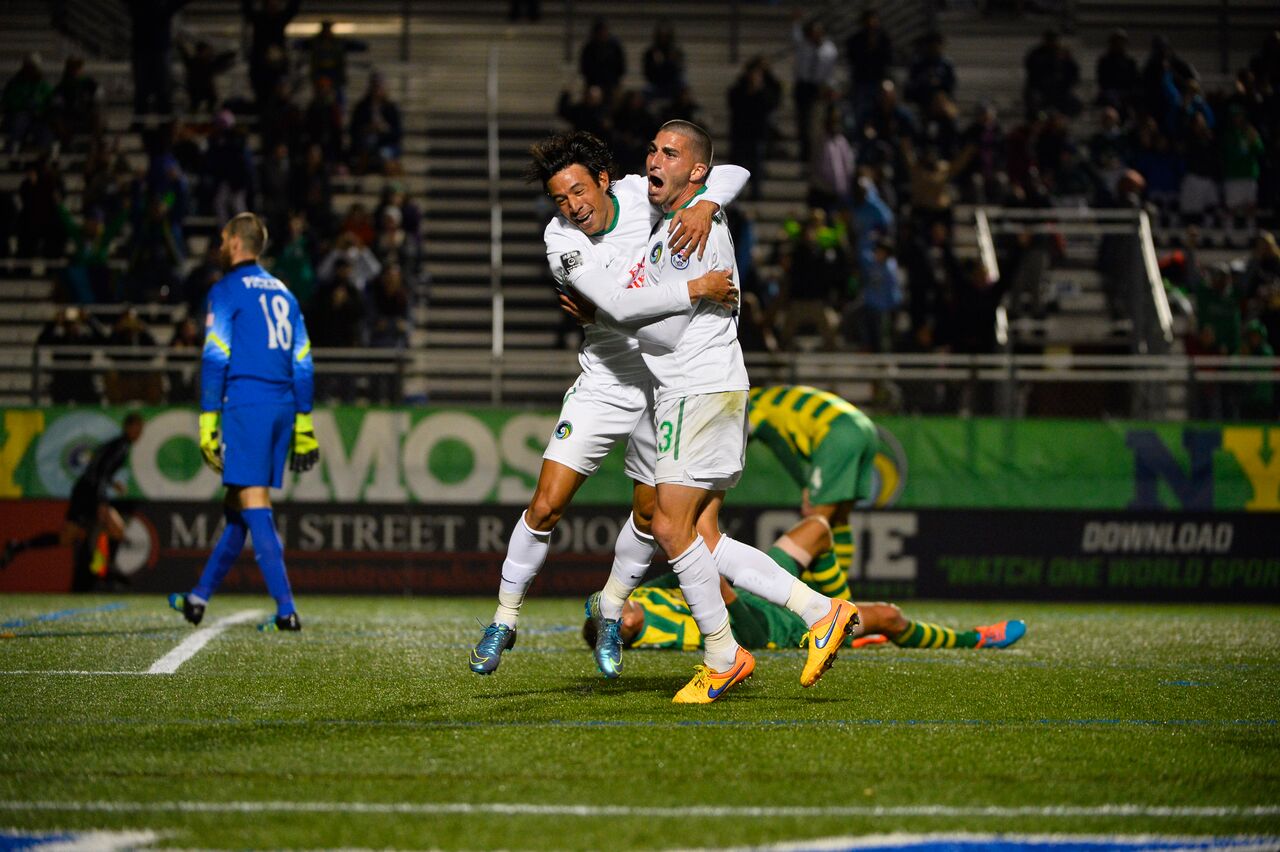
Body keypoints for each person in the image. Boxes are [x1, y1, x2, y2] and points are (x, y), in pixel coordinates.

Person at [567, 122, 859, 703]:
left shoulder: (687, 228)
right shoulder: (680, 215)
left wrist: (603, 314)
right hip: (705, 388)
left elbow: (670, 326)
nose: (653, 157)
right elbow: (726, 177)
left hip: (696, 390)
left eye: (669, 152)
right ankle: (820, 610)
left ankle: (723, 654)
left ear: (694, 170)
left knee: (670, 527)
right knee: (699, 531)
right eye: (650, 148)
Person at [469, 129, 748, 678]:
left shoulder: (644, 192)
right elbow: (618, 309)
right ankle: (504, 617)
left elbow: (729, 170)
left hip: (663, 385)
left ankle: (611, 607)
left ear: (603, 180)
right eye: (559, 199)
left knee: (650, 515)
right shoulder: (561, 240)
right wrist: (696, 288)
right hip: (604, 382)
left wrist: (707, 203)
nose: (572, 207)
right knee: (547, 503)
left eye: (579, 191)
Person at [168, 212, 317, 633]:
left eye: (221, 239)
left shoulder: (226, 289)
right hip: (283, 406)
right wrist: (303, 421)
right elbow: (303, 359)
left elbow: (215, 357)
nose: (219, 245)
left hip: (247, 403)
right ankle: (198, 598)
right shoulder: (285, 293)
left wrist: (207, 421)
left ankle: (286, 610)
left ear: (235, 242)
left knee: (253, 502)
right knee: (237, 508)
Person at [586, 517, 1025, 654]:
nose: (619, 613)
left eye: (608, 608)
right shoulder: (659, 639)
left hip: (750, 581)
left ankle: (840, 610)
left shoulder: (638, 595)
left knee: (816, 528)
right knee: (889, 616)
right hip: (775, 623)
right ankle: (974, 640)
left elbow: (683, 569)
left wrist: (703, 568)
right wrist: (724, 591)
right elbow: (752, 638)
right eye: (616, 621)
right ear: (621, 636)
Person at [1, 414, 145, 592]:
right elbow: (98, 474)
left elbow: (99, 469)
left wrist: (113, 483)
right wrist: (101, 501)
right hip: (88, 493)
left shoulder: (118, 444)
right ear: (128, 427)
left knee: (67, 539)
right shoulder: (121, 446)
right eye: (138, 428)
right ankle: (107, 570)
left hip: (86, 490)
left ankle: (18, 546)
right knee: (116, 529)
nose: (140, 433)